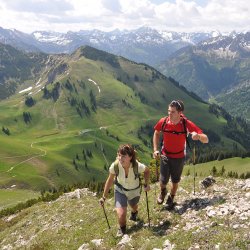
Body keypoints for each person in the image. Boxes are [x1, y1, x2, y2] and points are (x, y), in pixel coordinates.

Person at [153, 100, 208, 209]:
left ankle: (171, 197)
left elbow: (206, 139)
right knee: (163, 180)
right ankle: (163, 192)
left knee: (175, 181)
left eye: (172, 112)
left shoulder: (185, 124)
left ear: (180, 113)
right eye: (169, 111)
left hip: (179, 157)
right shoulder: (163, 121)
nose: (169, 114)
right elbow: (156, 133)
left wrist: (198, 136)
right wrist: (155, 149)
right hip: (165, 155)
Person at [99, 144, 150, 237]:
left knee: (133, 206)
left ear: (130, 157)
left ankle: (134, 212)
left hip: (134, 190)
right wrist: (103, 197)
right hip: (120, 190)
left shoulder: (137, 166)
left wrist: (147, 184)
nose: (120, 158)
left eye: (123, 156)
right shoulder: (115, 166)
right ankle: (122, 230)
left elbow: (147, 171)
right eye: (119, 155)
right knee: (121, 214)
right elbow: (110, 180)